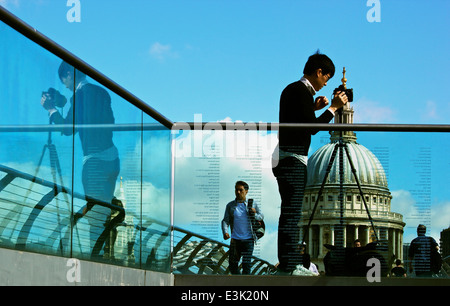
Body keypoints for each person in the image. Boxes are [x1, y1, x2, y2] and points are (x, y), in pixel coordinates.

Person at [272, 51, 348, 273]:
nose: (326, 83)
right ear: (318, 72)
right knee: (292, 213)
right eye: (327, 78)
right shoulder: (299, 91)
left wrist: (313, 109)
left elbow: (298, 120)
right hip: (292, 159)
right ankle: (289, 264)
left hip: (286, 158)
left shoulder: (294, 90)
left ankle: (288, 262)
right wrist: (332, 108)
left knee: (290, 212)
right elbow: (312, 128)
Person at [41, 61, 121, 258]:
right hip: (112, 158)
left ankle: (96, 258)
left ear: (69, 74)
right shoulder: (102, 92)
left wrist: (51, 110)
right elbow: (109, 122)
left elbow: (68, 129)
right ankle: (106, 250)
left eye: (65, 81)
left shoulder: (80, 96)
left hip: (94, 162)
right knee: (103, 211)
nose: (65, 86)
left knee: (95, 215)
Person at [222, 181, 264, 275]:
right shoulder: (230, 205)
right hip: (235, 240)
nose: (238, 192)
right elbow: (225, 220)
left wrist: (254, 214)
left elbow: (261, 216)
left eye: (241, 190)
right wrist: (225, 232)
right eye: (236, 190)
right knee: (232, 265)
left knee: (246, 264)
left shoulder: (252, 203)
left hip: (248, 240)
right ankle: (239, 281)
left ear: (246, 191)